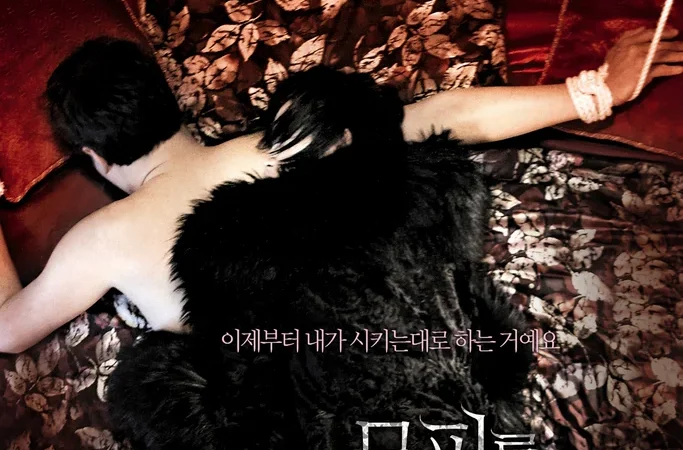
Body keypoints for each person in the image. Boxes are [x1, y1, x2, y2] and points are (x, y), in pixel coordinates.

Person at [0, 28, 681, 354]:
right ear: (168, 101)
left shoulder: (100, 242)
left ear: (92, 156)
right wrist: (594, 91)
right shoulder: (289, 142)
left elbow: (6, 332)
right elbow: (449, 116)